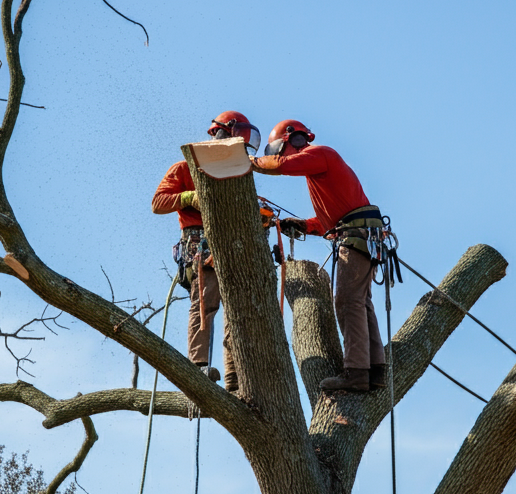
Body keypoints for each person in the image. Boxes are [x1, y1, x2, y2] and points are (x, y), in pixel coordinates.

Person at [252, 120, 386, 393]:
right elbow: (329, 223)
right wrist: (303, 225)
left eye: (279, 150)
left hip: (357, 237)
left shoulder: (320, 153)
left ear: (293, 140)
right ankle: (375, 371)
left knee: (348, 302)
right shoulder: (319, 172)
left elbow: (281, 166)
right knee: (361, 303)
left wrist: (249, 161)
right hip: (361, 235)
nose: (280, 155)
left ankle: (357, 373)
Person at [152, 110, 260, 392]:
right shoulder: (185, 167)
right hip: (199, 243)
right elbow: (158, 202)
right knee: (206, 299)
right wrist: (189, 198)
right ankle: (198, 365)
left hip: (231, 244)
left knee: (237, 309)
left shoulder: (236, 172)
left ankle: (235, 376)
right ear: (219, 133)